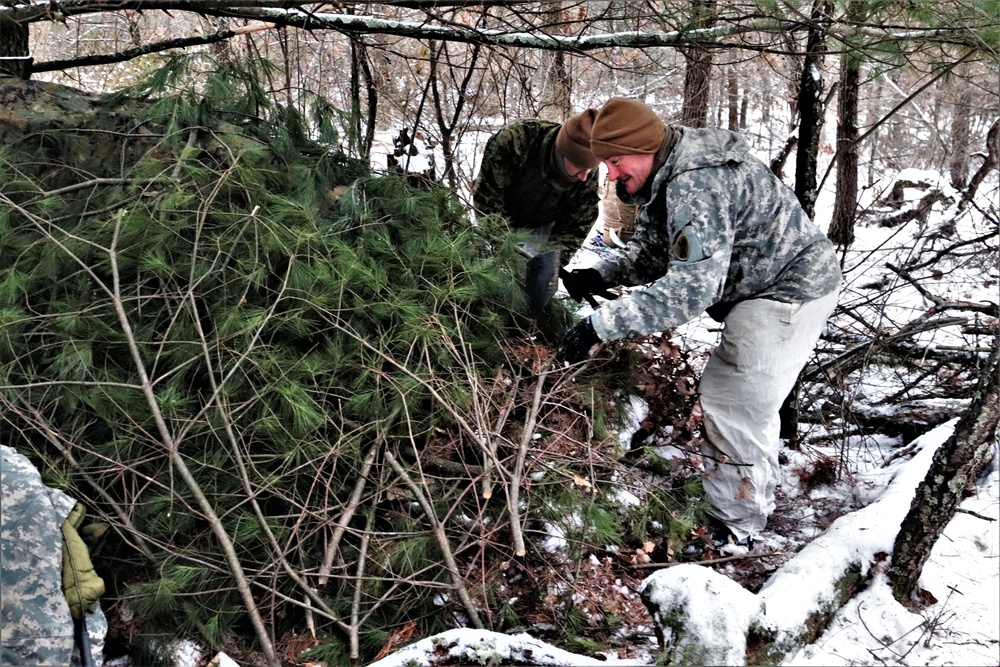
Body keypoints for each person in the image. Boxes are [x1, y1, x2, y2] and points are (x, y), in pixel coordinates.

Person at [558, 97, 842, 547]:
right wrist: (600, 274)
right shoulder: (667, 169)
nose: (610, 174)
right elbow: (655, 254)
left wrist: (600, 326)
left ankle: (734, 527)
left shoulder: (695, 183)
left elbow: (691, 290)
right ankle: (753, 498)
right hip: (768, 287)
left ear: (643, 147)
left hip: (786, 292)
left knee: (732, 399)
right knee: (748, 402)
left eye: (614, 162)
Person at [472, 110, 601, 255]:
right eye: (580, 166)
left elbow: (576, 224)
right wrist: (503, 249)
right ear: (563, 152)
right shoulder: (515, 139)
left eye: (590, 169)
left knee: (536, 272)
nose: (584, 176)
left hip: (544, 227)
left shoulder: (587, 173)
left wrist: (551, 263)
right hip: (500, 216)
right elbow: (487, 199)